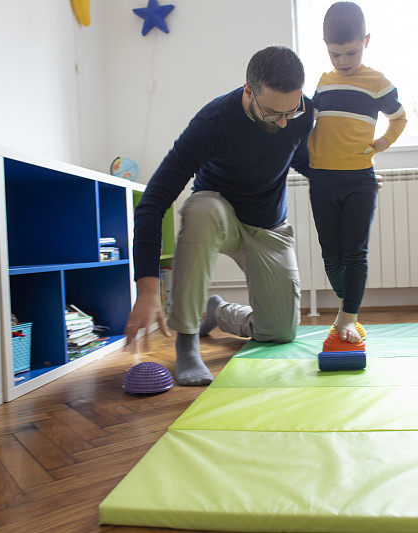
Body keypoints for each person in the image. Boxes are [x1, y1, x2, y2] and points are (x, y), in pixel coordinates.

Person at [124, 45, 314, 386]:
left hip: (269, 225)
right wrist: (148, 288)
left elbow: (299, 158)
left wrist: (350, 177)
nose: (284, 122)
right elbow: (154, 200)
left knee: (280, 332)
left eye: (292, 112)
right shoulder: (213, 124)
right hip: (220, 216)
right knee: (200, 208)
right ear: (248, 91)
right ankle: (187, 342)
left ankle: (218, 312)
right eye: (273, 114)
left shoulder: (302, 113)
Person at [307, 1, 407, 342]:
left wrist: (381, 144)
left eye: (350, 53)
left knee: (354, 252)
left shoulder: (378, 82)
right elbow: (310, 123)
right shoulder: (323, 82)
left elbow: (400, 117)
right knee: (330, 254)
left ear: (366, 41)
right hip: (321, 179)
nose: (343, 62)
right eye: (335, 55)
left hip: (359, 180)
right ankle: (345, 304)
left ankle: (348, 316)